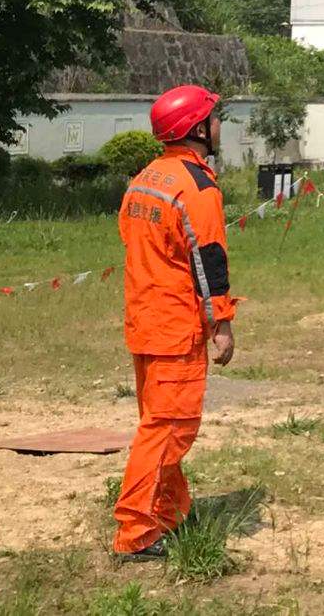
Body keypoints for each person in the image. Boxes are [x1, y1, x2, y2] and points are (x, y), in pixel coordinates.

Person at [113, 84, 237, 560]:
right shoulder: (197, 187)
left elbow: (130, 235)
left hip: (143, 322)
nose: (219, 125)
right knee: (169, 429)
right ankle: (135, 530)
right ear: (198, 129)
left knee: (158, 423)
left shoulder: (145, 178)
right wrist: (221, 324)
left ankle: (171, 511)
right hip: (175, 328)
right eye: (215, 117)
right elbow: (209, 262)